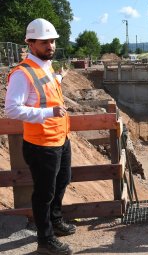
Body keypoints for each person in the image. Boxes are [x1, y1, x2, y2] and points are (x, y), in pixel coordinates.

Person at [5, 18, 75, 255]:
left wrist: (59, 78)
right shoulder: (21, 73)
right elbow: (12, 109)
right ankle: (45, 240)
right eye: (45, 42)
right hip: (41, 143)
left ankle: (55, 221)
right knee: (44, 193)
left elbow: (44, 88)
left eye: (53, 41)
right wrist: (48, 112)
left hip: (60, 138)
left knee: (63, 180)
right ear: (31, 43)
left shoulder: (45, 66)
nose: (51, 46)